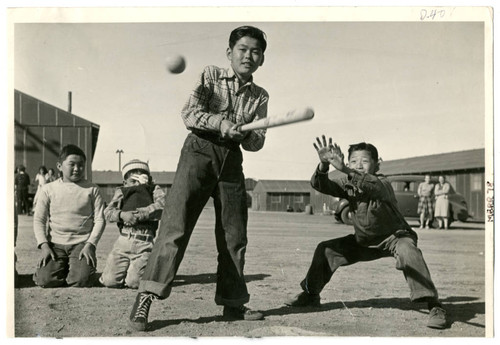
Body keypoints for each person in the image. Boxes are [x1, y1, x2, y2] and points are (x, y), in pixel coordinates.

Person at [128, 25, 269, 331]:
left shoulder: (260, 96)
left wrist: (247, 132)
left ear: (262, 59)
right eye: (242, 49)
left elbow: (256, 143)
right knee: (175, 224)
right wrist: (221, 123)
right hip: (199, 151)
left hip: (232, 159)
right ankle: (146, 296)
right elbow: (190, 113)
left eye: (255, 51)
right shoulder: (211, 75)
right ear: (229, 53)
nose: (248, 55)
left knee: (234, 234)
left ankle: (233, 304)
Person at [285, 136, 447, 330]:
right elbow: (322, 185)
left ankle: (434, 305)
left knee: (408, 252)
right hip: (364, 241)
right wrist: (323, 165)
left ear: (377, 165)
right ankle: (311, 295)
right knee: (326, 250)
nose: (358, 165)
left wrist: (345, 168)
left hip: (394, 238)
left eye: (364, 161)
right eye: (353, 161)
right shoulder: (348, 182)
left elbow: (372, 185)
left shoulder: (383, 183)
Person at [32, 144, 106, 288]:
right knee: (45, 281)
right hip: (55, 245)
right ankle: (58, 267)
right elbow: (39, 219)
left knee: (81, 281)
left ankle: (77, 267)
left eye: (81, 165)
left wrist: (90, 244)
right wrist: (44, 245)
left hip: (81, 244)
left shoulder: (92, 189)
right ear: (59, 166)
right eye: (72, 164)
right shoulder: (48, 189)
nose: (77, 169)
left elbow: (100, 219)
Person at [100, 159, 165, 289]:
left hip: (144, 242)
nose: (137, 184)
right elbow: (107, 212)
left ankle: (145, 270)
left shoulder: (154, 190)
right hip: (123, 241)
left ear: (149, 179)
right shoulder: (122, 192)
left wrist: (141, 213)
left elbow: (162, 206)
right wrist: (122, 215)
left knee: (134, 282)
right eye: (133, 181)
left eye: (142, 180)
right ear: (125, 182)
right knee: (110, 281)